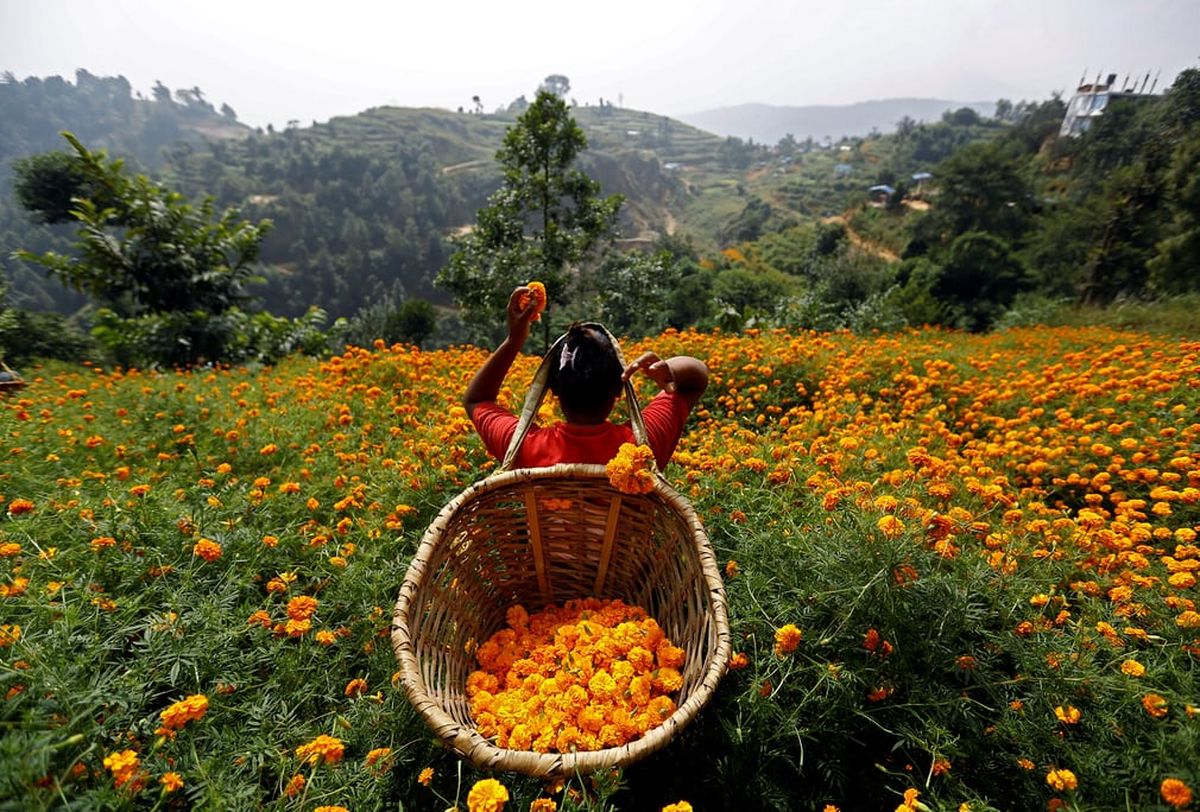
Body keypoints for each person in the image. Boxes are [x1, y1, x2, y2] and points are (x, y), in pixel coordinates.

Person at [464, 286, 708, 470]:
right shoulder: (640, 447)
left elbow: (477, 400)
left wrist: (514, 339)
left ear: (554, 390)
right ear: (619, 389)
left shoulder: (525, 447)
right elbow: (697, 377)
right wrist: (666, 371)